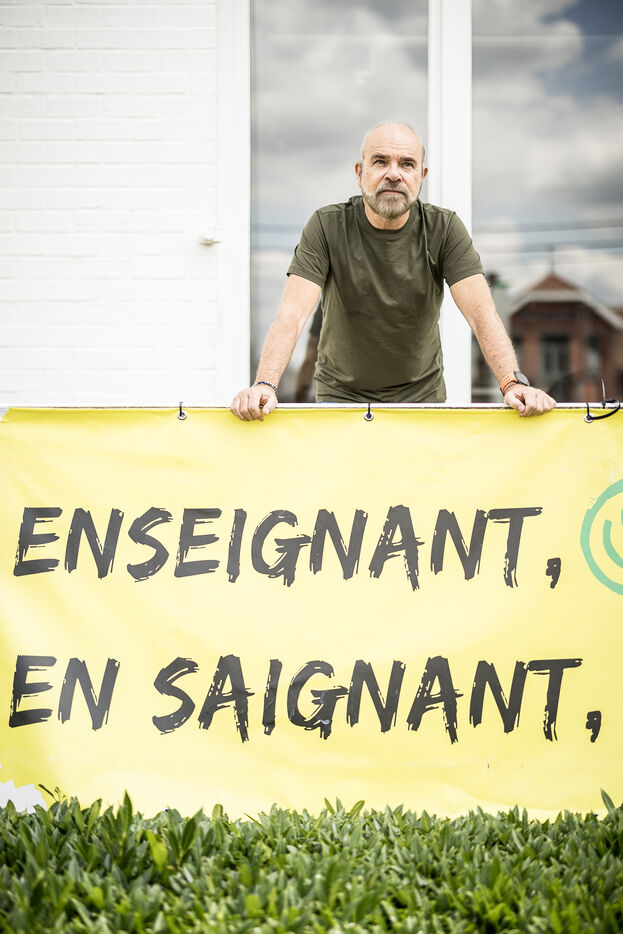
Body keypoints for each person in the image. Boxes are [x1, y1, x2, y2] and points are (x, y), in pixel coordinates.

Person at [231, 121, 556, 420]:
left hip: (422, 400)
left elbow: (481, 313)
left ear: (421, 176)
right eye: (380, 161)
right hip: (340, 398)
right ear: (359, 172)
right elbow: (293, 314)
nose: (394, 174)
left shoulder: (444, 229)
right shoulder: (327, 226)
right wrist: (265, 384)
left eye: (407, 164)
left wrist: (512, 383)